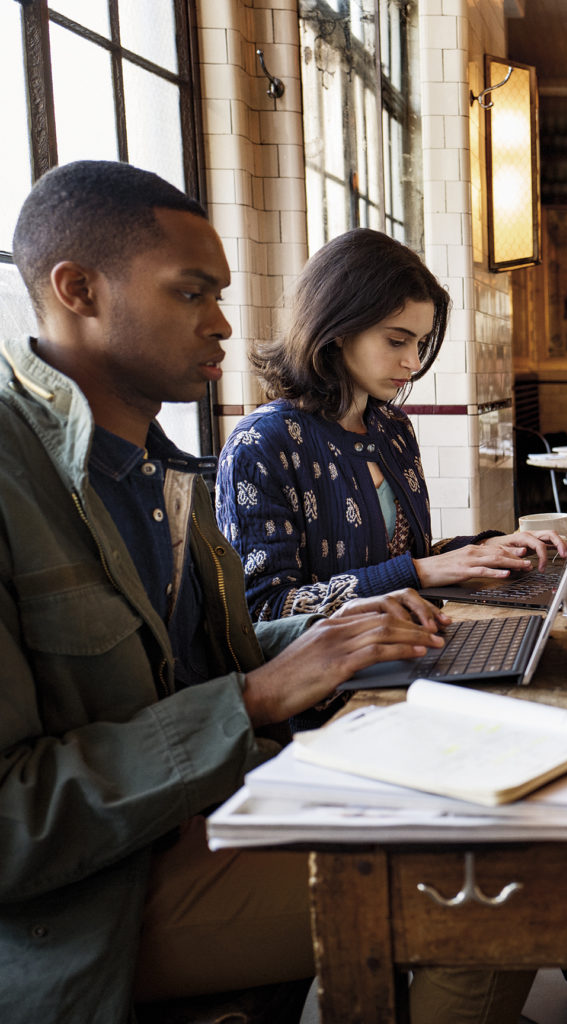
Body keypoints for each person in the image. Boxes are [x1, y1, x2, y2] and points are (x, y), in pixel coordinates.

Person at [0, 161, 530, 1023]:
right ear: (77, 289)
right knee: (487, 883)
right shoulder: (27, 475)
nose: (221, 323)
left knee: (506, 820)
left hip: (227, 797)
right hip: (96, 902)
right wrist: (258, 691)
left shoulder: (155, 472)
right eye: (191, 293)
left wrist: (340, 634)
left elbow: (219, 656)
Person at [218, 228, 567, 621]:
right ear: (337, 330)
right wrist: (420, 571)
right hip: (336, 680)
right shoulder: (260, 445)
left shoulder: (392, 428)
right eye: (396, 341)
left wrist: (491, 548)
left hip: (413, 644)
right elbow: (264, 611)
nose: (414, 363)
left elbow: (403, 561)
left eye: (419, 343)